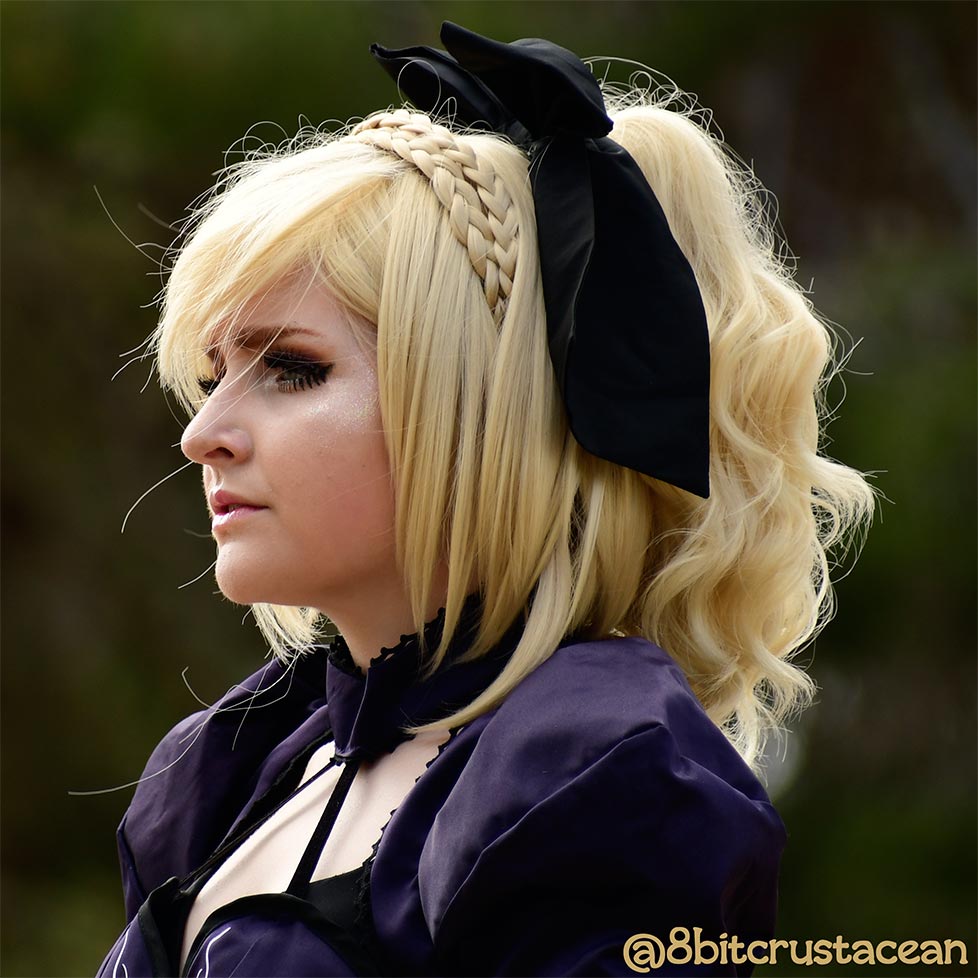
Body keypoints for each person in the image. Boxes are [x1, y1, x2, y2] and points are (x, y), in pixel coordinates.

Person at [96, 21, 874, 978]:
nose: (203, 432)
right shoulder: (235, 767)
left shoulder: (593, 777)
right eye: (214, 375)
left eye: (291, 368)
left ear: (477, 409)